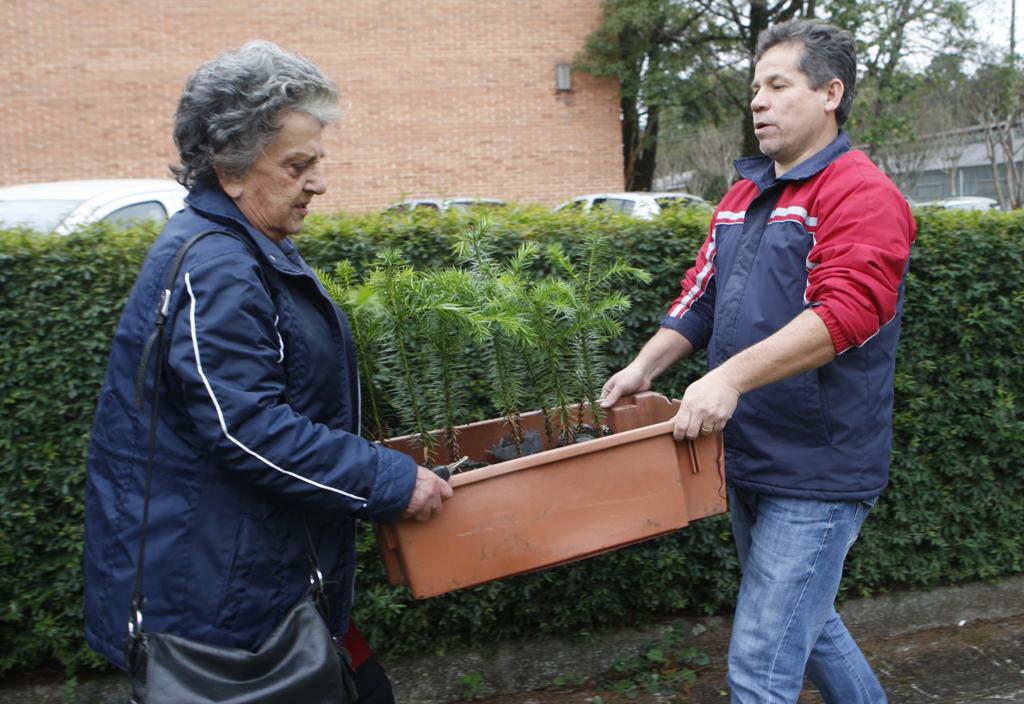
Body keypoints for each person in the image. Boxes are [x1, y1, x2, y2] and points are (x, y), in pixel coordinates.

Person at [83, 40, 452, 702]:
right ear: (228, 168)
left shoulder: (247, 244)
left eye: (318, 161)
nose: (318, 182)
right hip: (221, 606)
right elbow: (247, 427)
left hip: (258, 575)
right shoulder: (217, 264)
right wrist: (386, 478)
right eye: (297, 165)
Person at [601, 19, 914, 704]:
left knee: (760, 668)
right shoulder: (745, 195)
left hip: (819, 468)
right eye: (754, 89)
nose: (759, 102)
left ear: (831, 93)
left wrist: (728, 377)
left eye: (777, 86)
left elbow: (849, 312)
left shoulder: (861, 194)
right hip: (747, 453)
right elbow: (702, 292)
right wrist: (643, 369)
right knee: (812, 624)